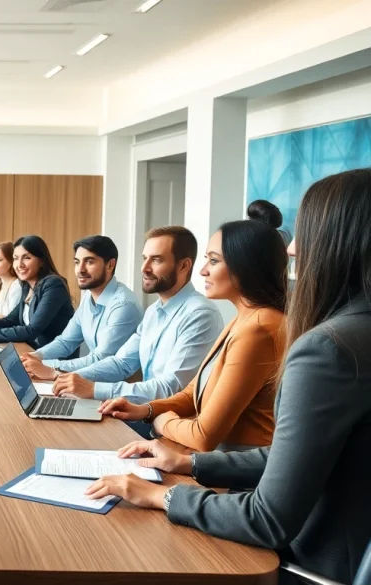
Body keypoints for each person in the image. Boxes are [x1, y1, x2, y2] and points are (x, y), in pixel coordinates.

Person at [86, 168, 371, 584]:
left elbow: (268, 519)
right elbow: (297, 456)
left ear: (339, 244)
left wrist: (161, 494)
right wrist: (191, 462)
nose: (292, 250)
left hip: (313, 564)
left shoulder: (326, 348)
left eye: (306, 233)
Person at [98, 219, 287, 451]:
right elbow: (192, 392)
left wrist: (161, 421)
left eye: (214, 260)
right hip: (214, 457)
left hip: (232, 471)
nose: (203, 270)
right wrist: (145, 410)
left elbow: (203, 436)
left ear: (246, 266)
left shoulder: (257, 329)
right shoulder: (243, 319)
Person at [51, 226, 222, 404]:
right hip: (145, 412)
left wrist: (94, 389)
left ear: (184, 266)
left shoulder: (200, 314)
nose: (144, 268)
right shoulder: (154, 311)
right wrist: (68, 378)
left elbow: (171, 387)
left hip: (167, 423)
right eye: (144, 258)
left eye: (156, 260)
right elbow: (122, 363)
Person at [22, 235, 142, 378]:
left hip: (117, 389)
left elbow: (100, 359)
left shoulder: (124, 305)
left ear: (110, 265)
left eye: (89, 262)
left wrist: (47, 367)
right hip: (90, 380)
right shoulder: (88, 297)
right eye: (77, 262)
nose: (80, 270)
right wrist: (35, 356)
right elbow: (66, 342)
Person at [0, 235, 74, 348]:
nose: (19, 264)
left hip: (54, 360)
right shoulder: (27, 285)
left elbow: (32, 331)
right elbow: (10, 321)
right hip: (31, 351)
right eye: (16, 258)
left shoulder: (53, 284)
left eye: (27, 258)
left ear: (41, 261)